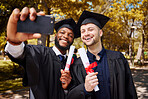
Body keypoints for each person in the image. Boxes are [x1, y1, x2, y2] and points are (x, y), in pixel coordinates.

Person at [4, 7, 78, 99]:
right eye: (62, 32)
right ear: (55, 35)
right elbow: (21, 54)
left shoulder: (74, 64)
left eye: (70, 35)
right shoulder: (41, 52)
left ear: (72, 40)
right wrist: (14, 42)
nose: (66, 36)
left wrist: (67, 87)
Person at [68, 10, 137, 99]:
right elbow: (71, 95)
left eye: (90, 29)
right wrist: (84, 88)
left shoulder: (117, 58)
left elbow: (129, 89)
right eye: (83, 31)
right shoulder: (77, 64)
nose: (86, 33)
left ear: (100, 33)